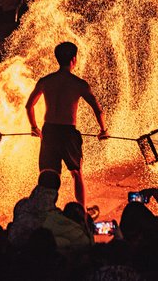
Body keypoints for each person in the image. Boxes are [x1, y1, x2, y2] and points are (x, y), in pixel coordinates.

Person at [25, 41, 108, 210]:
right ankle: (82, 212)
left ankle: (45, 209)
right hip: (68, 133)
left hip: (49, 131)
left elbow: (29, 106)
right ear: (73, 59)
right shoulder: (79, 84)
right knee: (76, 173)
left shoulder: (45, 81)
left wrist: (34, 127)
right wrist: (103, 130)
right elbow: (98, 110)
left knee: (48, 175)